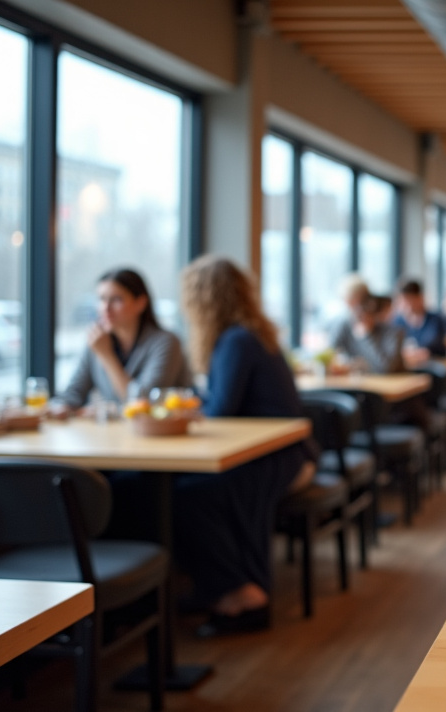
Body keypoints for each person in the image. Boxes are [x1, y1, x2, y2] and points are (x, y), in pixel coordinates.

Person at [176, 255, 313, 636]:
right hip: (277, 451)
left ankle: (242, 593)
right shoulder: (248, 335)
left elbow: (220, 410)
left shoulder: (237, 340)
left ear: (204, 300)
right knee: (181, 489)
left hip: (278, 456)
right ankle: (216, 586)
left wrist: (188, 406)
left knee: (189, 497)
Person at [57, 268, 192, 410]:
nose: (106, 308)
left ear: (140, 303)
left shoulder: (166, 342)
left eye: (116, 299)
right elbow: (73, 394)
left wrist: (106, 356)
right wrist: (58, 407)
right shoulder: (98, 340)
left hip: (159, 430)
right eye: (102, 299)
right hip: (111, 431)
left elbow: (142, 403)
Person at [331, 293, 406, 374]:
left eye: (367, 312)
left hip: (393, 382)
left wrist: (367, 336)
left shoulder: (393, 333)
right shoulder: (348, 326)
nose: (361, 316)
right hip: (362, 382)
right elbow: (332, 351)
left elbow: (386, 368)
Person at [393, 279, 446, 359]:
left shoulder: (435, 320)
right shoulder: (397, 322)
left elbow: (433, 345)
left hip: (432, 366)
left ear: (420, 298)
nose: (405, 305)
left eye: (408, 300)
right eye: (402, 301)